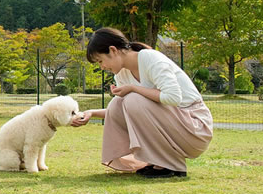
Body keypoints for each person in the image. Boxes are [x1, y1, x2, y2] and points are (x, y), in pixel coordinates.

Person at [72, 27, 212, 178]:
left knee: (132, 99)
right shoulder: (122, 74)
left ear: (113, 50)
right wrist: (91, 113)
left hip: (195, 128)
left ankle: (170, 164)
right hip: (176, 126)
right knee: (117, 104)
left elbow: (173, 97)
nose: (102, 67)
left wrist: (134, 88)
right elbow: (125, 111)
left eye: (101, 61)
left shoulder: (149, 58)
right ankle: (155, 160)